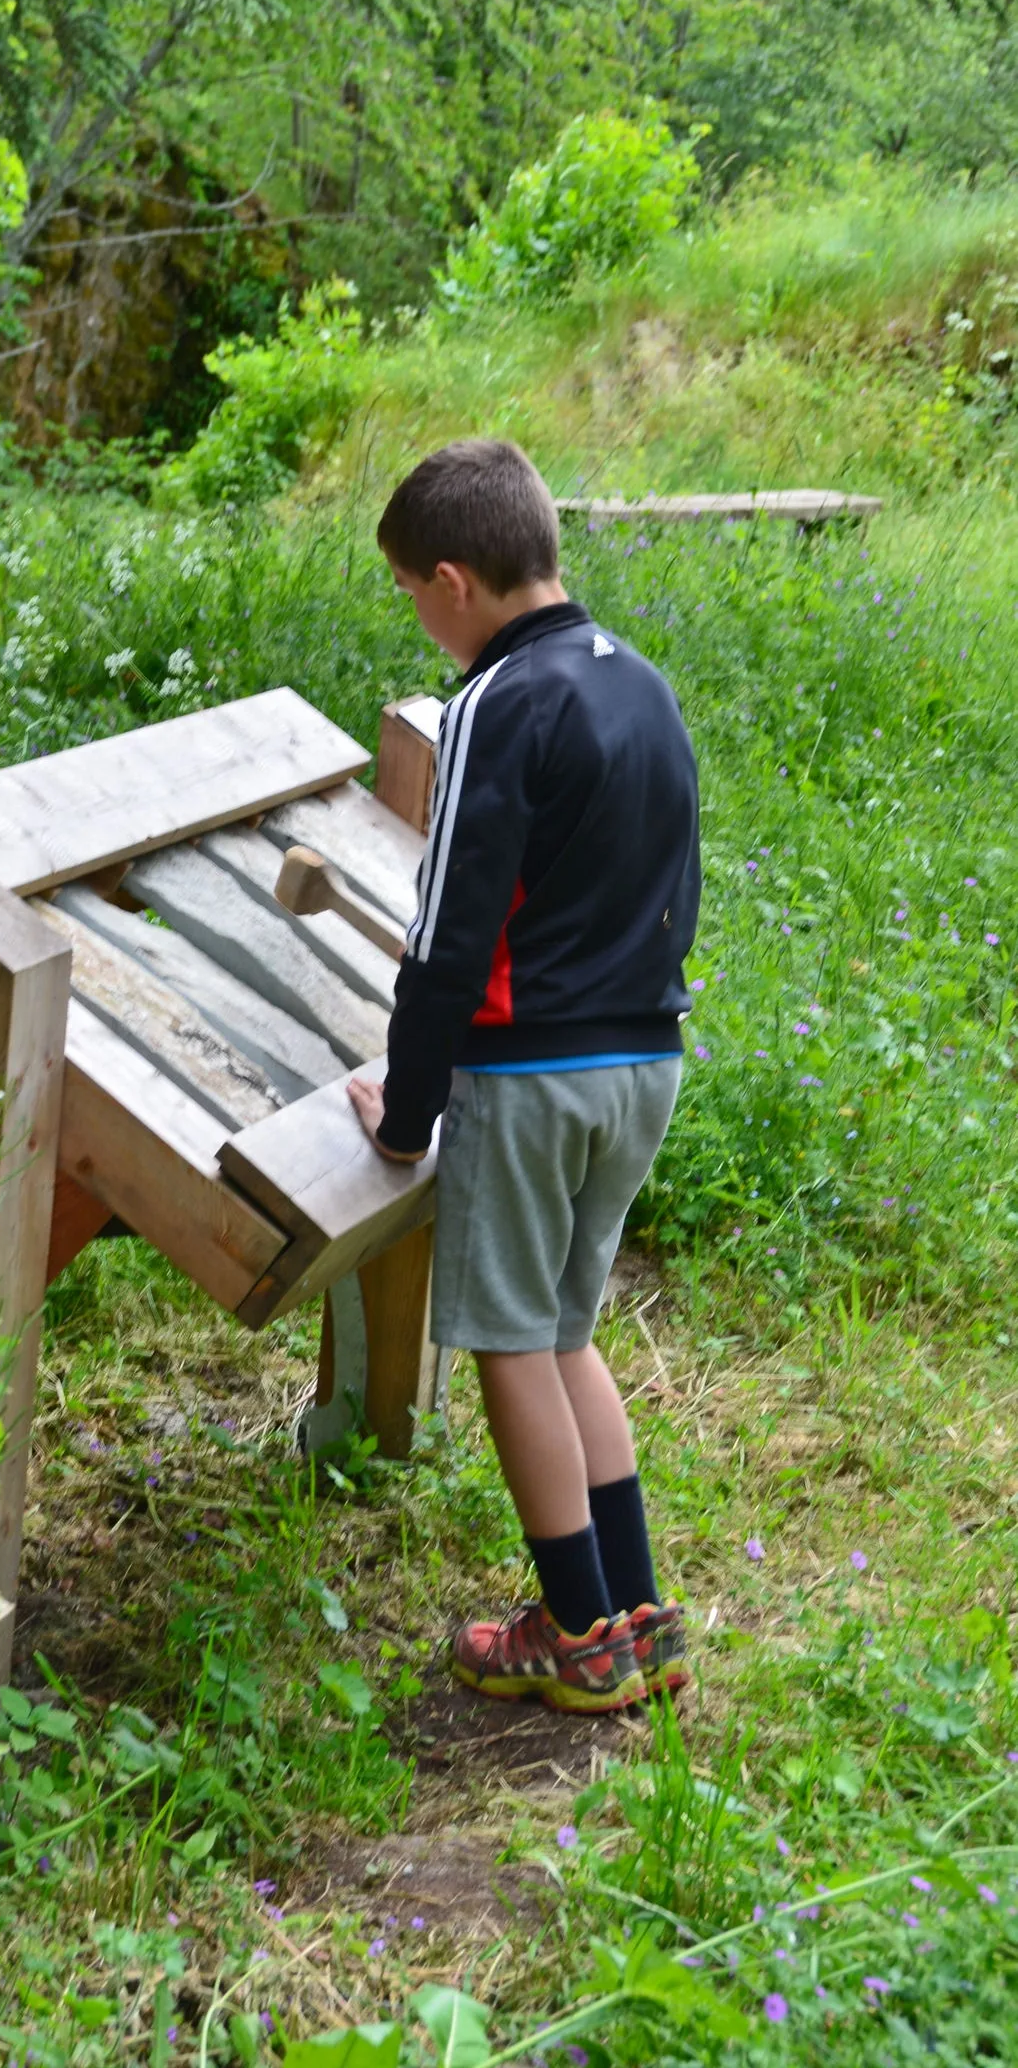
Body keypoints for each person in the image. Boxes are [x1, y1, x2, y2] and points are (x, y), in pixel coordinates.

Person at [347, 437, 700, 1714]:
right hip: (641, 1060)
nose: (417, 616)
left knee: (507, 1342)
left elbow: (448, 928)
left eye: (408, 591)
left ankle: (572, 1629)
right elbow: (676, 887)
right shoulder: (643, 685)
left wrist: (407, 1109)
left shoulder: (496, 704)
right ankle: (637, 1612)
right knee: (567, 1333)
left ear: (451, 581)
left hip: (534, 1072)